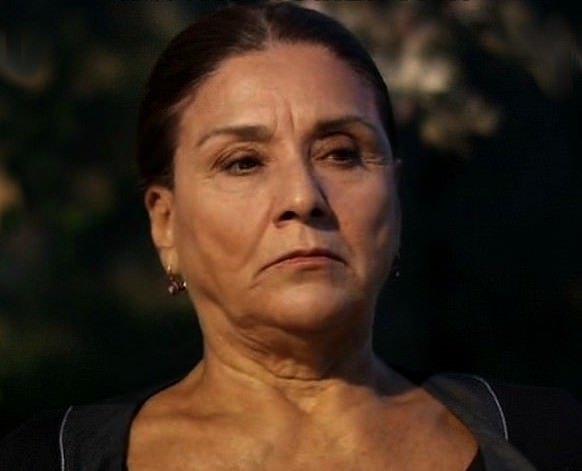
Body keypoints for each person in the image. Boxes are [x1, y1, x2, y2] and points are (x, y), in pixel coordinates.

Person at [1, 3, 581, 470]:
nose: (303, 198)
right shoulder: (53, 459)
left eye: (342, 153)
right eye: (243, 162)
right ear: (166, 222)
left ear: (395, 196)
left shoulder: (546, 441)